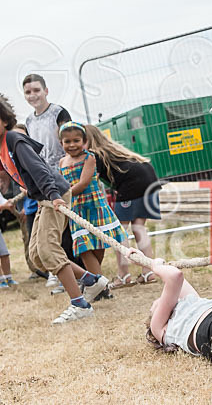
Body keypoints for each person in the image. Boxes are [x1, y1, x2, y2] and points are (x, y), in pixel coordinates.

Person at [0, 92, 108, 324]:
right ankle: (92, 281)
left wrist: (54, 196)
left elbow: (39, 169)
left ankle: (79, 304)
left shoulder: (14, 140)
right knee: (37, 256)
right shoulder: (0, 147)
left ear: (4, 120)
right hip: (43, 198)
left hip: (54, 195)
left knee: (50, 250)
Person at [21, 73, 82, 289]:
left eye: (36, 90)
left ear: (46, 91)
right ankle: (58, 270)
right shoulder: (29, 120)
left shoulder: (58, 112)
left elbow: (69, 137)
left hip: (62, 173)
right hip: (43, 177)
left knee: (65, 227)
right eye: (28, 92)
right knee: (51, 230)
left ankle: (74, 270)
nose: (33, 95)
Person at [84, 124, 162, 287]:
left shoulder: (94, 154)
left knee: (119, 232)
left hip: (132, 185)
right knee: (139, 227)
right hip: (150, 179)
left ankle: (123, 275)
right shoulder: (111, 149)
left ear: (87, 139)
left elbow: (92, 181)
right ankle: (148, 271)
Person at [58, 121, 127, 298]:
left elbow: (83, 183)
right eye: (67, 141)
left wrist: (61, 197)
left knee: (97, 246)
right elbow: (60, 183)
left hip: (93, 207)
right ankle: (100, 286)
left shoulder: (89, 158)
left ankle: (99, 284)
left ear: (85, 141)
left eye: (76, 140)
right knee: (83, 248)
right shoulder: (61, 162)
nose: (72, 145)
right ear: (61, 143)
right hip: (76, 211)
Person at [0, 123, 47, 280]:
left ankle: (54, 272)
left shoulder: (26, 150)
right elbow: (6, 178)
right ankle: (37, 270)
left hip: (43, 199)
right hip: (28, 203)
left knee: (47, 241)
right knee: (30, 240)